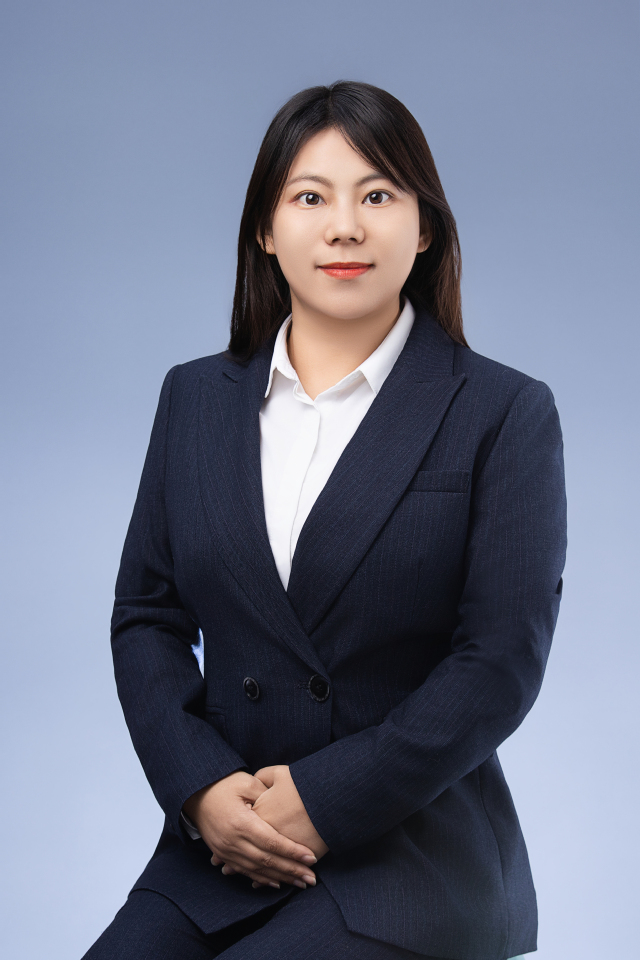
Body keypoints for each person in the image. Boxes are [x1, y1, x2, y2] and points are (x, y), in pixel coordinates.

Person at [82, 81, 566, 960]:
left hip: (413, 856)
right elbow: (146, 616)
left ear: (425, 229)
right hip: (226, 843)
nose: (345, 227)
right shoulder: (194, 398)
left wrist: (325, 799)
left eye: (377, 196)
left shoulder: (502, 411)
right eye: (310, 197)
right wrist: (200, 788)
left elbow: (500, 661)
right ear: (266, 230)